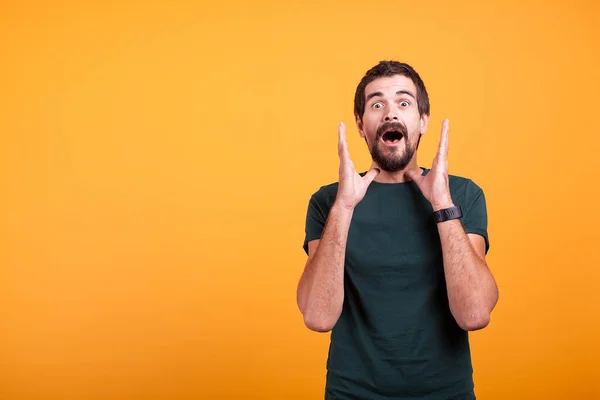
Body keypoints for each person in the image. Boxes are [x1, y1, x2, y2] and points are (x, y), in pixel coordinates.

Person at [296, 60, 499, 400]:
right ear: (362, 125)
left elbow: (475, 313)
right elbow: (317, 316)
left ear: (422, 121)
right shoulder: (329, 202)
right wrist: (344, 208)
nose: (390, 113)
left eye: (403, 102)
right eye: (377, 104)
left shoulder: (462, 195)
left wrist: (441, 203)